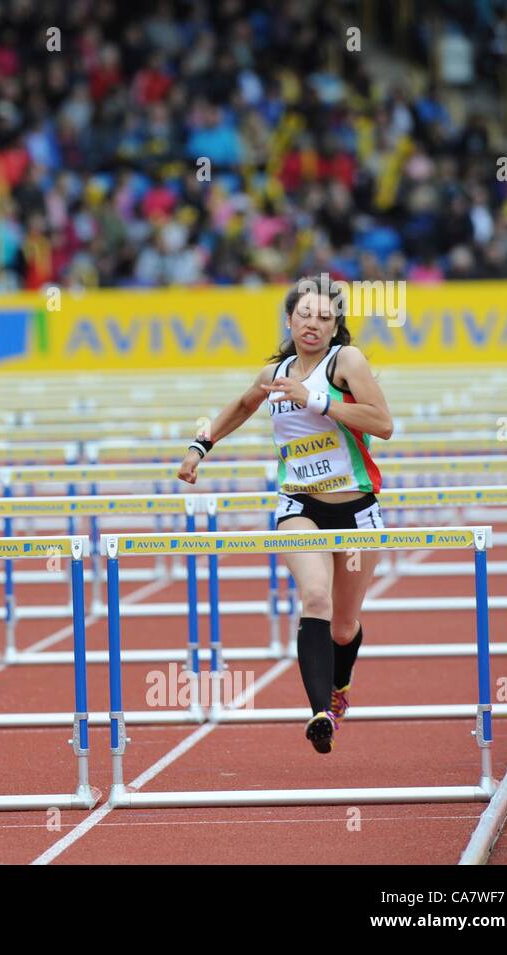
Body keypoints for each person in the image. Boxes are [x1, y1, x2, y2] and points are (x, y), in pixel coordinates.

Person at [177, 275, 393, 754]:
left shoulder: (346, 362)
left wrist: (315, 399)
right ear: (290, 319)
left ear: (336, 325)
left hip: (356, 508)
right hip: (300, 505)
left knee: (343, 626)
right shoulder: (275, 373)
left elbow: (383, 424)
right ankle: (320, 713)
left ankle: (340, 685)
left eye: (324, 317)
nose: (313, 324)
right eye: (304, 315)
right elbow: (241, 405)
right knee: (315, 596)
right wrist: (199, 447)